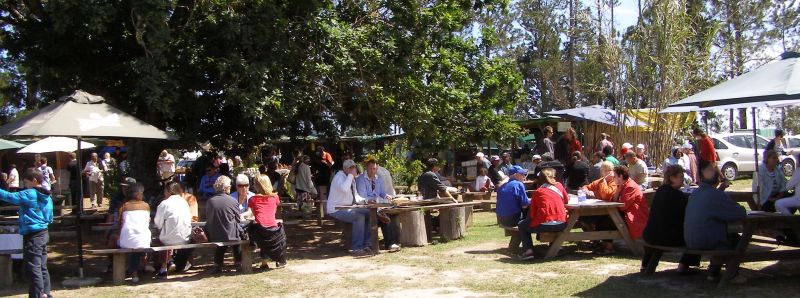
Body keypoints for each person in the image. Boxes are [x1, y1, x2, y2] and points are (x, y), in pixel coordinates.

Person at [684, 160, 746, 280]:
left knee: (719, 235)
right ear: (718, 180)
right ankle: (732, 274)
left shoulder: (695, 193)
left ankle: (714, 272)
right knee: (735, 239)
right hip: (706, 240)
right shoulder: (716, 195)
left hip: (690, 240)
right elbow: (740, 213)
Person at [0, 169, 53, 296]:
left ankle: (38, 295)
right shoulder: (47, 195)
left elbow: (9, 197)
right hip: (44, 232)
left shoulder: (30, 194)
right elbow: (50, 216)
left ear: (34, 181)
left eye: (26, 182)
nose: (24, 185)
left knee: (33, 267)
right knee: (42, 266)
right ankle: (46, 293)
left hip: (33, 234)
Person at [641, 165, 700, 274]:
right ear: (672, 178)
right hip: (667, 238)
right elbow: (687, 215)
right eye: (680, 177)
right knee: (695, 235)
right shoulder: (677, 195)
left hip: (650, 235)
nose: (683, 180)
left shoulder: (660, 192)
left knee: (658, 228)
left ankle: (645, 265)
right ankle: (684, 264)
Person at [595, 166, 649, 254]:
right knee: (601, 218)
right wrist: (618, 189)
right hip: (624, 214)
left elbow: (623, 206)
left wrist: (618, 192)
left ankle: (609, 248)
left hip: (634, 218)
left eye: (615, 176)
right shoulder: (622, 185)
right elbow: (613, 200)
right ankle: (603, 244)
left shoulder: (630, 186)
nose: (613, 178)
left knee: (608, 221)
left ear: (620, 177)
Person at [517, 167, 568, 260]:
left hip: (544, 224)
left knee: (522, 225)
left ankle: (528, 251)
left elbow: (532, 213)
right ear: (553, 177)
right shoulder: (559, 186)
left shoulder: (538, 192)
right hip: (562, 224)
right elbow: (566, 200)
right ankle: (555, 247)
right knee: (552, 221)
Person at [326, 159, 372, 256]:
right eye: (350, 168)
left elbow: (356, 197)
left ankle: (367, 244)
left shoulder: (350, 179)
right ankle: (356, 248)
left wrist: (367, 200)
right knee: (359, 217)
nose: (353, 169)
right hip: (336, 210)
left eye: (353, 167)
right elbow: (344, 188)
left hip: (347, 208)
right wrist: (351, 175)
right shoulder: (339, 177)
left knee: (369, 213)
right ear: (344, 169)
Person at [243, 174, 288, 269]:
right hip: (273, 229)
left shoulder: (253, 199)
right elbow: (274, 211)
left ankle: (262, 260)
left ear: (257, 185)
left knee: (254, 228)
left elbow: (254, 214)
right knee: (273, 233)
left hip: (260, 230)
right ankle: (278, 260)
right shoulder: (275, 198)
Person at [356, 159, 400, 251]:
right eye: (371, 168)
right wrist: (370, 200)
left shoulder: (378, 178)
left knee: (385, 215)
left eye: (374, 169)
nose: (373, 171)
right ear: (366, 168)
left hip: (375, 206)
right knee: (375, 216)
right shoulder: (361, 179)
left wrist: (386, 195)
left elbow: (381, 192)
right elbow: (362, 196)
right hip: (364, 205)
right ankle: (368, 244)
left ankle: (390, 244)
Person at [153, 181, 193, 278]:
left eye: (165, 191)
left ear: (169, 191)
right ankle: (171, 261)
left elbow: (157, 223)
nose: (164, 193)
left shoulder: (164, 203)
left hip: (169, 239)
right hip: (185, 237)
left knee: (158, 240)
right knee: (168, 235)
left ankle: (163, 267)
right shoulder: (184, 202)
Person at [205, 175, 244, 272]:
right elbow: (238, 219)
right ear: (227, 187)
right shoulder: (233, 201)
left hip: (214, 235)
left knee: (223, 237)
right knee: (236, 235)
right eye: (230, 186)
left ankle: (218, 264)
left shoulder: (210, 201)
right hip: (230, 235)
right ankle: (238, 262)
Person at [118, 182, 151, 283]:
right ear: (137, 194)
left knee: (124, 241)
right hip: (144, 240)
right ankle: (142, 267)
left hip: (127, 241)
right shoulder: (146, 206)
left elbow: (120, 223)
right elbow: (147, 221)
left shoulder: (124, 206)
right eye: (142, 193)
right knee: (138, 242)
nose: (143, 195)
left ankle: (133, 272)